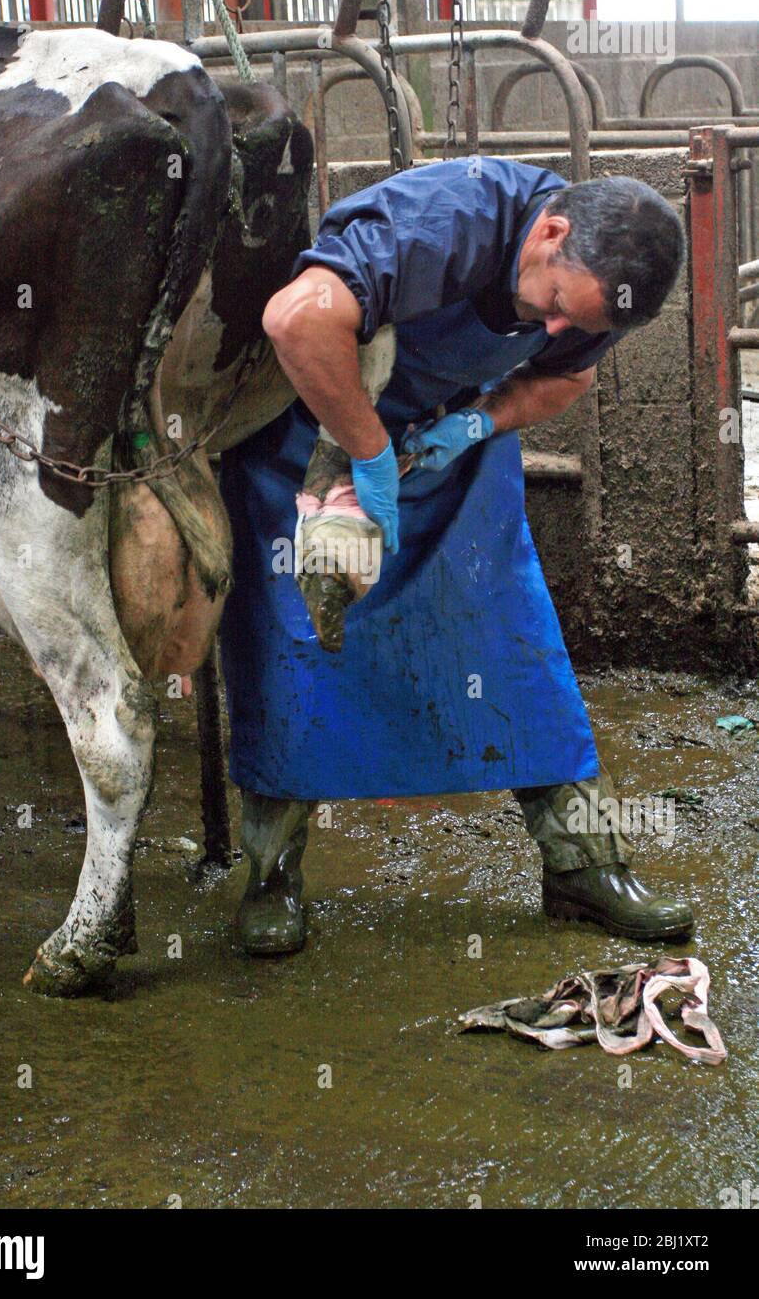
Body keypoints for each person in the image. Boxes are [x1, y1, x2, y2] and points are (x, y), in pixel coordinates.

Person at [218, 157, 693, 955]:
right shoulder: (448, 218)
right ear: (550, 234)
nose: (550, 331)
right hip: (311, 446)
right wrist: (367, 456)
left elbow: (561, 382)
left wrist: (473, 427)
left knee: (521, 655)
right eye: (550, 305)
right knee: (298, 651)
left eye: (574, 322)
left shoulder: (594, 291)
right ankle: (270, 877)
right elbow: (296, 319)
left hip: (446, 454)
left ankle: (585, 864)